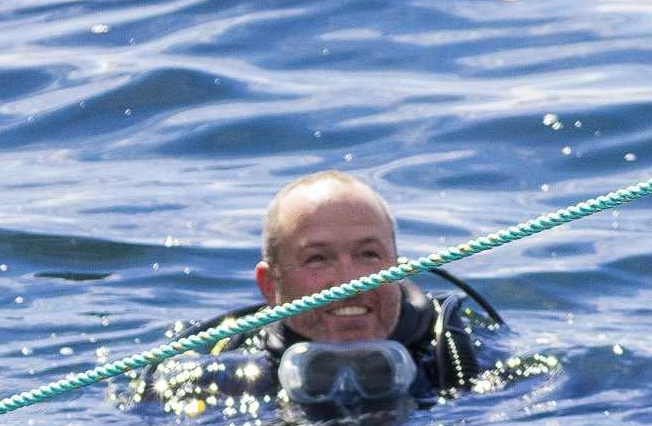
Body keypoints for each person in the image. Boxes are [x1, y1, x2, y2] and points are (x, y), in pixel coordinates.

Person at [167, 171, 498, 411]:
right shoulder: (221, 383)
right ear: (270, 285)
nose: (347, 282)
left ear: (397, 267)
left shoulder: (466, 360)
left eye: (368, 254)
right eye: (317, 258)